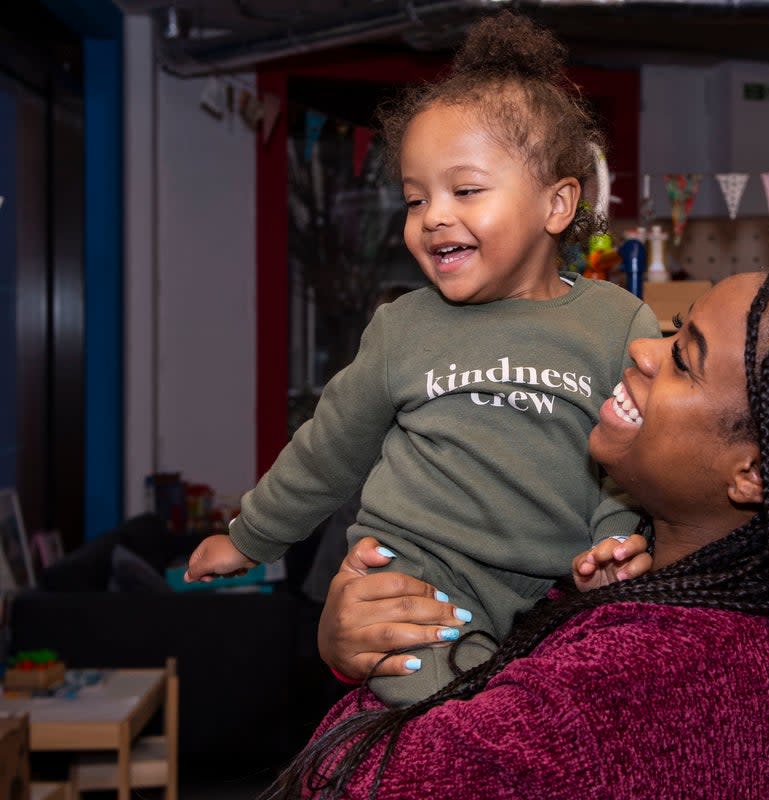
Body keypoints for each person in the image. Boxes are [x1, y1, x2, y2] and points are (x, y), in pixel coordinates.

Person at [271, 261, 769, 800]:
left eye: (683, 359)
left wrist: (368, 667)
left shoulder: (636, 684)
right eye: (671, 328)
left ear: (753, 472)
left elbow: (346, 779)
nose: (641, 350)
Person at [185, 12, 661, 707]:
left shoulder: (617, 323)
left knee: (580, 700)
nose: (432, 216)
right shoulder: (403, 329)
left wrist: (616, 546)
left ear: (557, 203)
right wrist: (251, 537)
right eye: (415, 199)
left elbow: (631, 462)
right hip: (419, 574)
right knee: (442, 701)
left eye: (465, 191)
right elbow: (327, 450)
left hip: (554, 586)